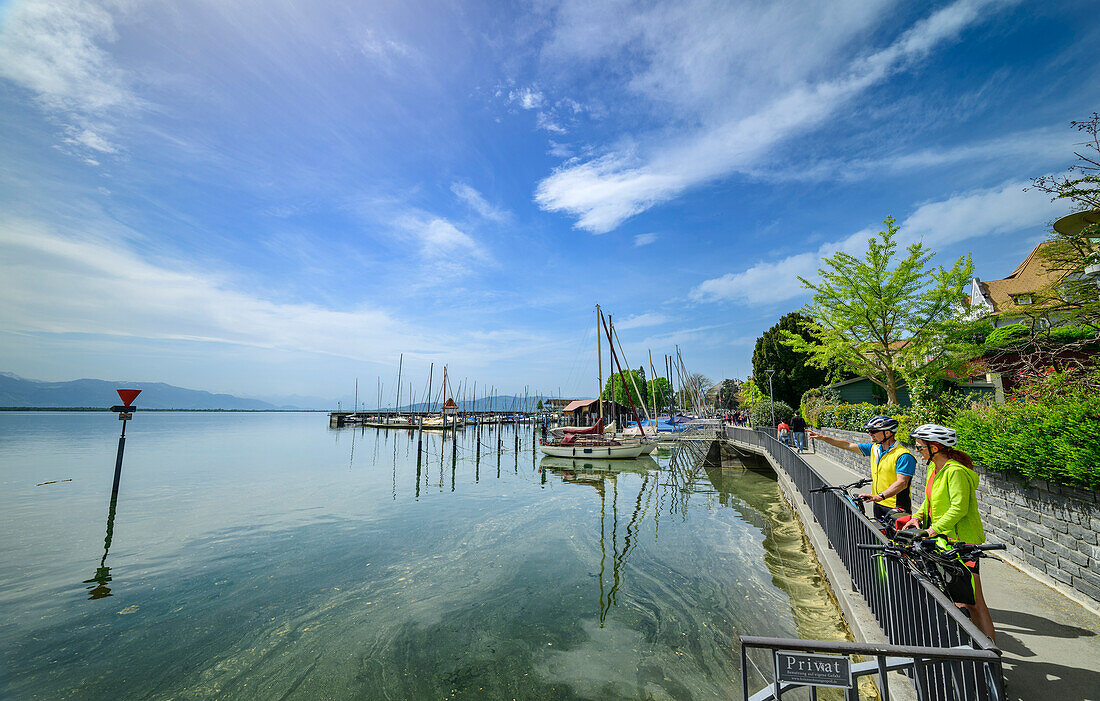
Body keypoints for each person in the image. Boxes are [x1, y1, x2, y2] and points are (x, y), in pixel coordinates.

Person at [901, 424, 995, 642]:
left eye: (920, 447)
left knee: (974, 601)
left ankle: (992, 656)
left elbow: (959, 507)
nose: (918, 450)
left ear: (934, 447)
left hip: (962, 543)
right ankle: (973, 646)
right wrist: (917, 517)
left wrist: (932, 529)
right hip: (945, 541)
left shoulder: (955, 471)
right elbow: (929, 500)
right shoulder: (935, 469)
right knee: (960, 598)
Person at [806, 416, 914, 520]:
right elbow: (847, 445)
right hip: (878, 503)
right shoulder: (874, 448)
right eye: (869, 431)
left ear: (887, 432)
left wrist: (881, 496)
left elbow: (902, 483)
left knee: (897, 538)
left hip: (896, 506)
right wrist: (823, 438)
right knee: (880, 535)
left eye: (873, 431)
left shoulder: (903, 455)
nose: (870, 433)